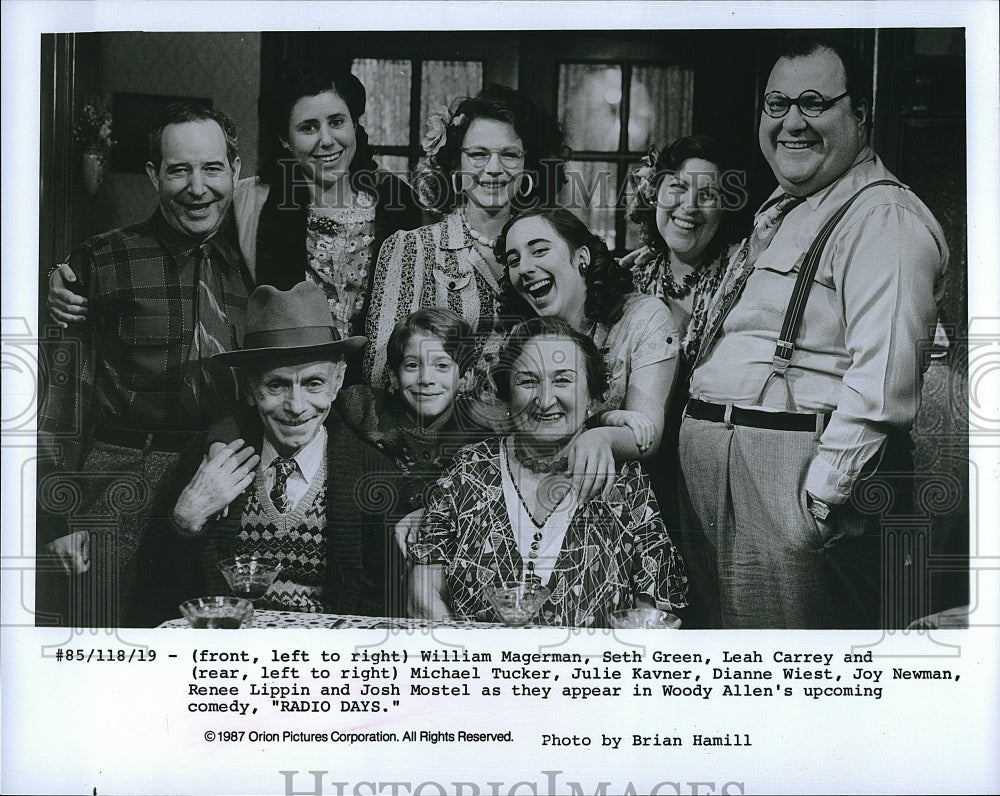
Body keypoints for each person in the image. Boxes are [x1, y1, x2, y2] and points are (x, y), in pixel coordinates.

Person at [678, 33, 949, 629]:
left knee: (791, 681)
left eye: (814, 103)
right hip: (727, 473)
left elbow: (880, 384)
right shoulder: (791, 207)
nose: (791, 123)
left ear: (860, 116)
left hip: (791, 482)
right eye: (777, 105)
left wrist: (820, 501)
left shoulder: (883, 217)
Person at [37, 103, 254, 627]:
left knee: (203, 647)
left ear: (236, 172)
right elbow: (60, 397)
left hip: (215, 480)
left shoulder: (249, 268)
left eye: (212, 168)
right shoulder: (103, 260)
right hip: (118, 481)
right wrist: (58, 513)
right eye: (179, 169)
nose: (197, 187)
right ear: (155, 176)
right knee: (108, 642)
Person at [46, 62, 423, 348]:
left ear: (355, 124)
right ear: (284, 139)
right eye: (308, 127)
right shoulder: (250, 196)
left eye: (337, 122)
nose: (327, 140)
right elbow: (183, 229)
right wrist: (62, 278)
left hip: (377, 387)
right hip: (287, 386)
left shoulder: (397, 199)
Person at [408, 317, 687, 626]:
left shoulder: (624, 481)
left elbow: (652, 614)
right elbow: (422, 592)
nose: (544, 399)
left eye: (563, 380)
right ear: (508, 397)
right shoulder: (468, 471)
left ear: (593, 398)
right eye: (527, 381)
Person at [171, 281, 400, 615]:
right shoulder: (205, 461)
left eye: (314, 383)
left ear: (337, 382)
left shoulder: (376, 477)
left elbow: (379, 608)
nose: (296, 406)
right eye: (276, 385)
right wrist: (184, 523)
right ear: (250, 389)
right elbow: (168, 592)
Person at [364, 84, 567, 388]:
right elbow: (379, 372)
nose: (494, 168)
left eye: (510, 155)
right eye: (478, 154)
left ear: (529, 166)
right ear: (456, 164)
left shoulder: (552, 250)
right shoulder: (412, 248)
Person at [496, 207, 680, 496]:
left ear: (581, 257)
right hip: (529, 484)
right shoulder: (519, 331)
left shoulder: (644, 317)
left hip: (618, 494)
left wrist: (602, 437)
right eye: (514, 260)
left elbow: (648, 434)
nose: (524, 269)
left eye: (539, 251)